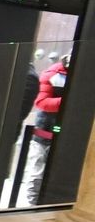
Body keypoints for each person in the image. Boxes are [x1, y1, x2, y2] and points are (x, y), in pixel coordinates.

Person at [21, 52, 69, 206]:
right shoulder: (53, 73)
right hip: (45, 130)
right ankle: (32, 204)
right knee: (37, 171)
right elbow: (42, 102)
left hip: (65, 132)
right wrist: (70, 99)